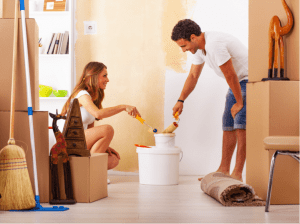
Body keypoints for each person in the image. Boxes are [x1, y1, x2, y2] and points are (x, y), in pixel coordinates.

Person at [171, 19, 248, 181]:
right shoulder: (199, 49)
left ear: (193, 37)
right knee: (228, 124)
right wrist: (181, 100)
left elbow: (230, 74)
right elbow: (193, 76)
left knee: (241, 124)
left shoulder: (214, 45)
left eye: (183, 46)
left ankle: (238, 173)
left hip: (248, 80)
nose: (184, 50)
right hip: (236, 82)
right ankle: (224, 170)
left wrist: (239, 102)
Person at [61, 61, 141, 170]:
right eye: (104, 75)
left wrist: (104, 146)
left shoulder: (91, 98)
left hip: (79, 140)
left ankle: (88, 172)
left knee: (113, 160)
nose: (107, 79)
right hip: (69, 141)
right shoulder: (82, 94)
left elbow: (91, 129)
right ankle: (92, 174)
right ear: (93, 76)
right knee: (107, 129)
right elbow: (98, 114)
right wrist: (123, 107)